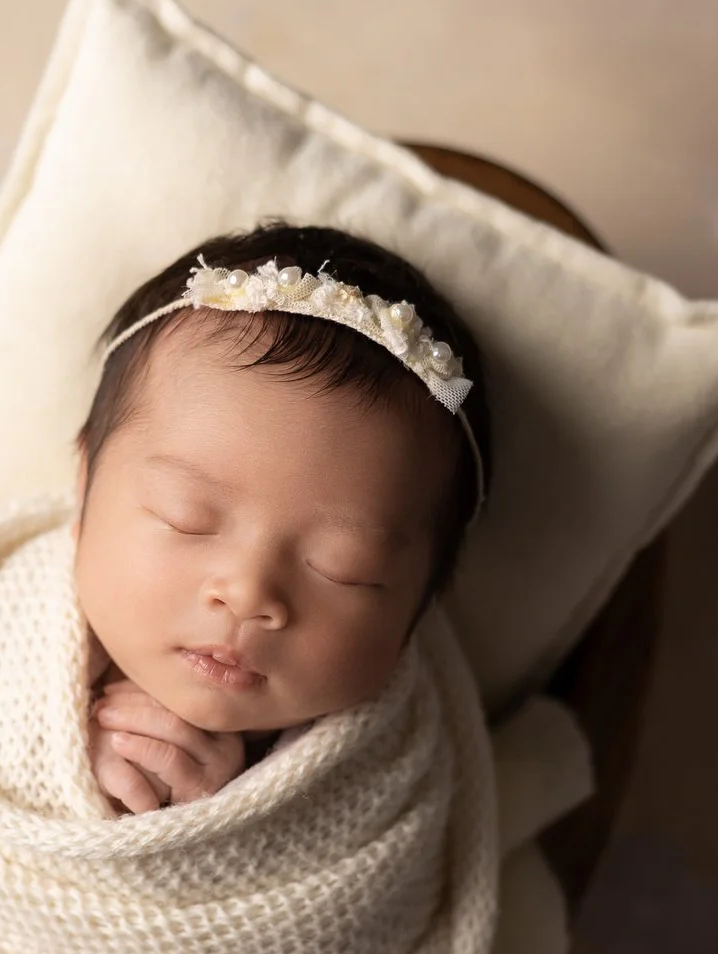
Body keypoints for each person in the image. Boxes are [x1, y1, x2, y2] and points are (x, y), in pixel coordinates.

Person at [71, 223, 496, 813]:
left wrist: (220, 816)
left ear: (422, 602)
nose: (247, 595)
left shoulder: (394, 780)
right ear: (85, 481)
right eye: (185, 518)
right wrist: (56, 754)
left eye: (344, 569)